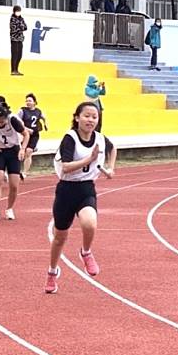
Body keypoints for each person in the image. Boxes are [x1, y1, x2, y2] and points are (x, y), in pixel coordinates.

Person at [45, 102, 117, 294]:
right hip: (66, 190)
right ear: (77, 117)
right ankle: (52, 272)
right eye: (86, 116)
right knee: (60, 237)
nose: (91, 120)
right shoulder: (70, 138)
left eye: (95, 117)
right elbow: (66, 167)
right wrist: (89, 159)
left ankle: (86, 252)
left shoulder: (100, 139)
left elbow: (112, 148)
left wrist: (110, 168)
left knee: (90, 223)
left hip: (86, 189)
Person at [0, 103, 30, 220]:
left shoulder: (12, 120)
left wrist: (22, 149)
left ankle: (9, 209)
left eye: (2, 121)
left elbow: (26, 134)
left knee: (14, 184)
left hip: (13, 151)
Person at [18, 93, 48, 177]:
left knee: (28, 152)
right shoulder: (22, 110)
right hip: (24, 134)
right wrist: (26, 129)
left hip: (34, 134)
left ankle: (24, 173)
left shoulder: (38, 111)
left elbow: (44, 117)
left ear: (34, 102)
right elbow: (17, 121)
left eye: (30, 101)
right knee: (21, 153)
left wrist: (45, 125)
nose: (28, 102)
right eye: (26, 101)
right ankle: (14, 170)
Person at [10, 5, 27, 76]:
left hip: (20, 39)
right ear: (14, 11)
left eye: (19, 11)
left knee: (20, 55)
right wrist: (20, 27)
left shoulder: (21, 19)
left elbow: (25, 27)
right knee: (15, 54)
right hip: (14, 39)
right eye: (17, 11)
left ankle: (16, 69)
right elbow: (14, 29)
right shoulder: (12, 19)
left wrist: (20, 27)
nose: (18, 12)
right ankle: (13, 70)